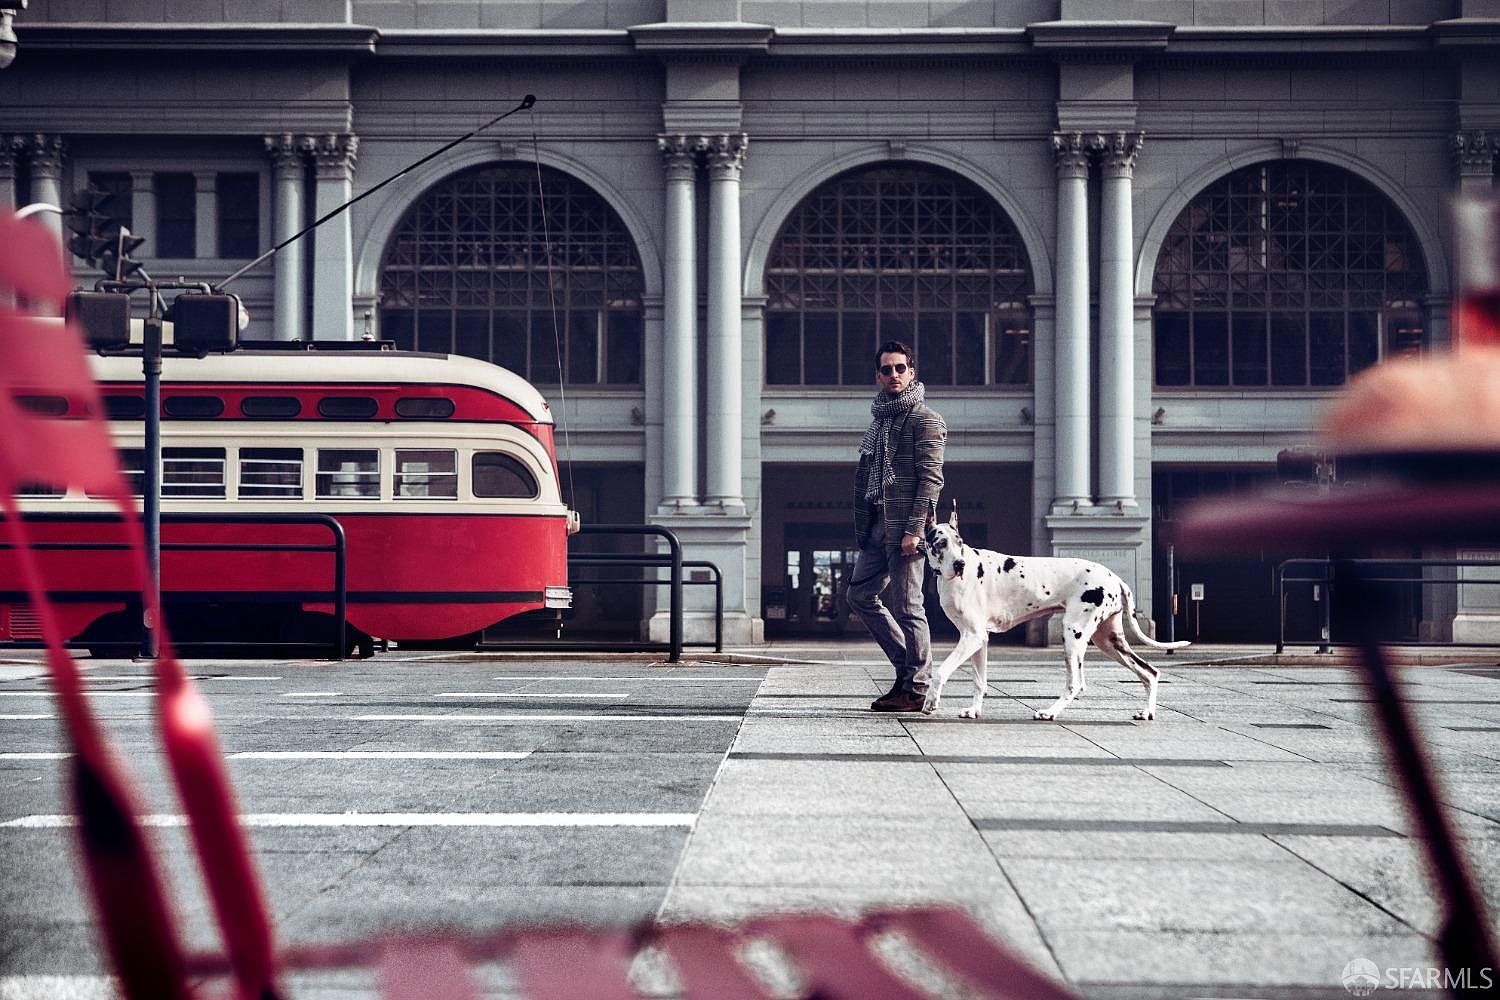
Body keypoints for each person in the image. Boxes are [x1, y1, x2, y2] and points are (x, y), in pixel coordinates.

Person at [847, 339, 946, 712]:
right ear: (878, 375)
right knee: (858, 596)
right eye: (887, 369)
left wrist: (915, 530)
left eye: (900, 368)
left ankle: (916, 687)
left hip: (906, 529)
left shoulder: (926, 420)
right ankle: (908, 669)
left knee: (908, 607)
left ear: (912, 372)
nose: (894, 375)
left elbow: (931, 480)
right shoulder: (879, 423)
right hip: (876, 527)